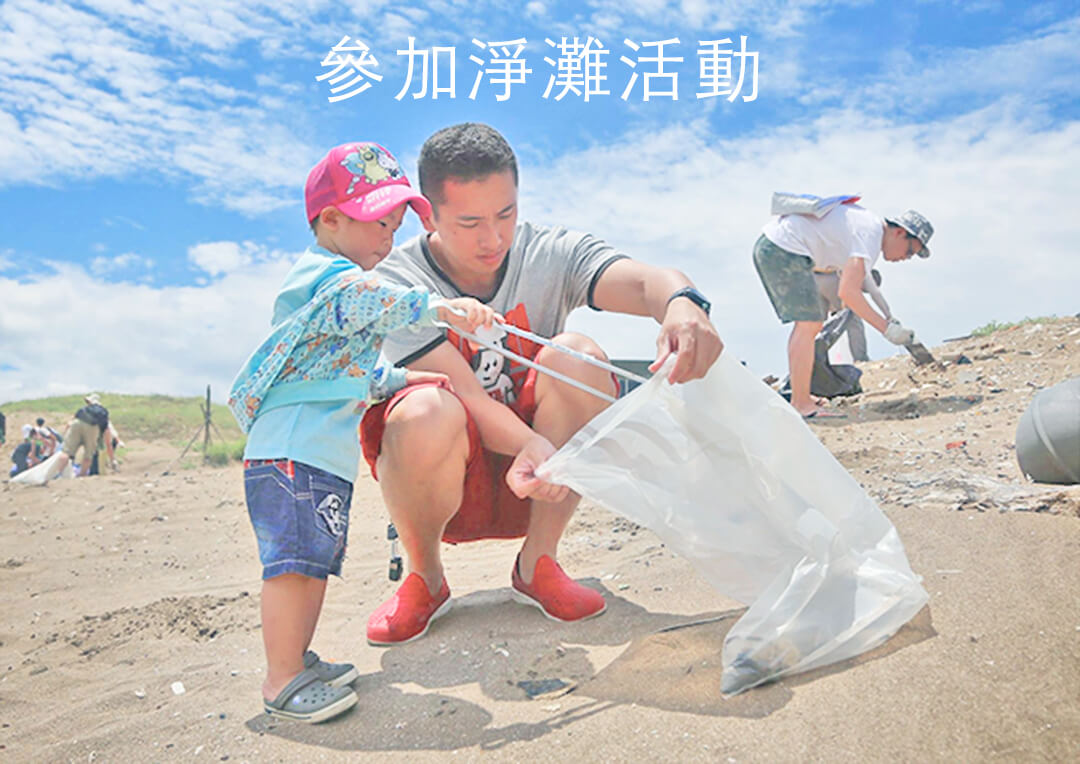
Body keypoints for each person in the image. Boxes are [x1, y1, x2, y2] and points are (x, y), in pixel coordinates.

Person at [360, 122, 724, 647]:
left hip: (542, 473)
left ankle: (539, 563)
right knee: (424, 407)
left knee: (580, 357)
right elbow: (464, 393)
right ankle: (425, 578)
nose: (493, 239)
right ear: (429, 215)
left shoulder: (549, 253)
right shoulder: (397, 285)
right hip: (447, 472)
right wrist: (533, 445)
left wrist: (683, 303)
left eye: (506, 214)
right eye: (470, 223)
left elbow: (646, 280)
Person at [226, 141, 500, 724]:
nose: (388, 239)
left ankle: (297, 660)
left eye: (395, 227)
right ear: (330, 219)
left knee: (313, 560)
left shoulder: (339, 291)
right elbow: (365, 302)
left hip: (316, 455)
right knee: (293, 566)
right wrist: (440, 308)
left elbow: (345, 371)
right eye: (378, 223)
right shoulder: (328, 279)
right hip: (292, 451)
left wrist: (405, 377)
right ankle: (281, 678)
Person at [753, 205, 933, 418]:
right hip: (783, 249)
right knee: (808, 324)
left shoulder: (869, 229)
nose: (906, 257)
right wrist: (886, 330)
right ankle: (801, 403)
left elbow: (869, 286)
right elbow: (848, 292)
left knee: (809, 325)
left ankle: (801, 397)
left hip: (779, 247)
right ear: (900, 232)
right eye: (910, 251)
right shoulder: (870, 235)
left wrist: (889, 317)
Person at [53, 394, 113, 477]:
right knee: (88, 455)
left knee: (66, 452)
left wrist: (65, 435)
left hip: (76, 424)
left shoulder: (83, 409)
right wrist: (112, 457)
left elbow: (69, 423)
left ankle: (57, 474)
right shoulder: (103, 413)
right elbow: (106, 432)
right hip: (92, 427)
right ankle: (82, 475)